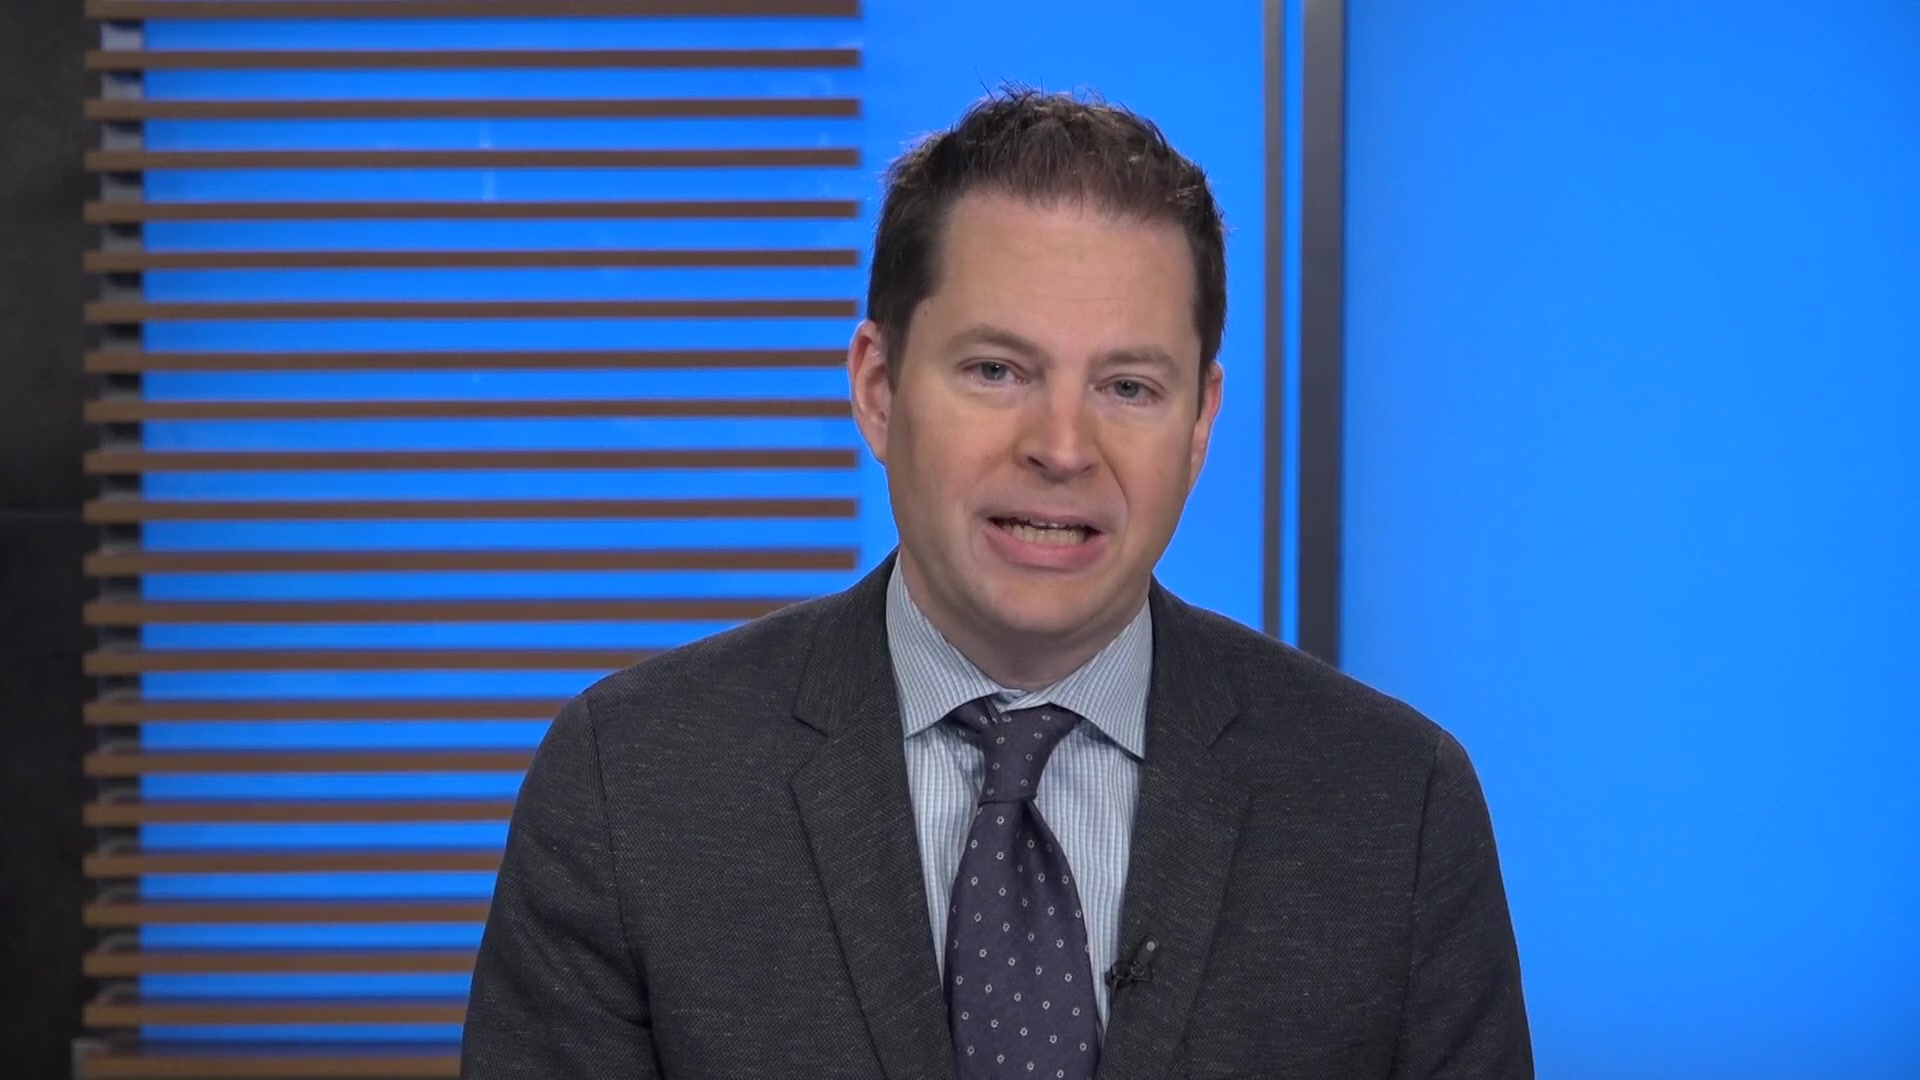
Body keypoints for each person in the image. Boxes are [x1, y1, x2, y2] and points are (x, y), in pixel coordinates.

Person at [461, 87, 1532, 1079]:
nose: (1061, 447)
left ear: (1201, 421)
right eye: (996, 371)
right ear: (879, 387)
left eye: (1128, 386)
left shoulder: (1397, 810)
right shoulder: (631, 787)